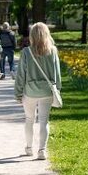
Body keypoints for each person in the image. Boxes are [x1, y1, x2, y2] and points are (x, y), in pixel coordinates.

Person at [14, 21, 61, 160]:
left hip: (30, 91)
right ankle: (42, 150)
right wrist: (57, 89)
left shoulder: (26, 52)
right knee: (44, 121)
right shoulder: (52, 51)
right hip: (46, 91)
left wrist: (18, 92)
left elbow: (21, 74)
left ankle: (29, 148)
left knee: (29, 119)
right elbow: (57, 73)